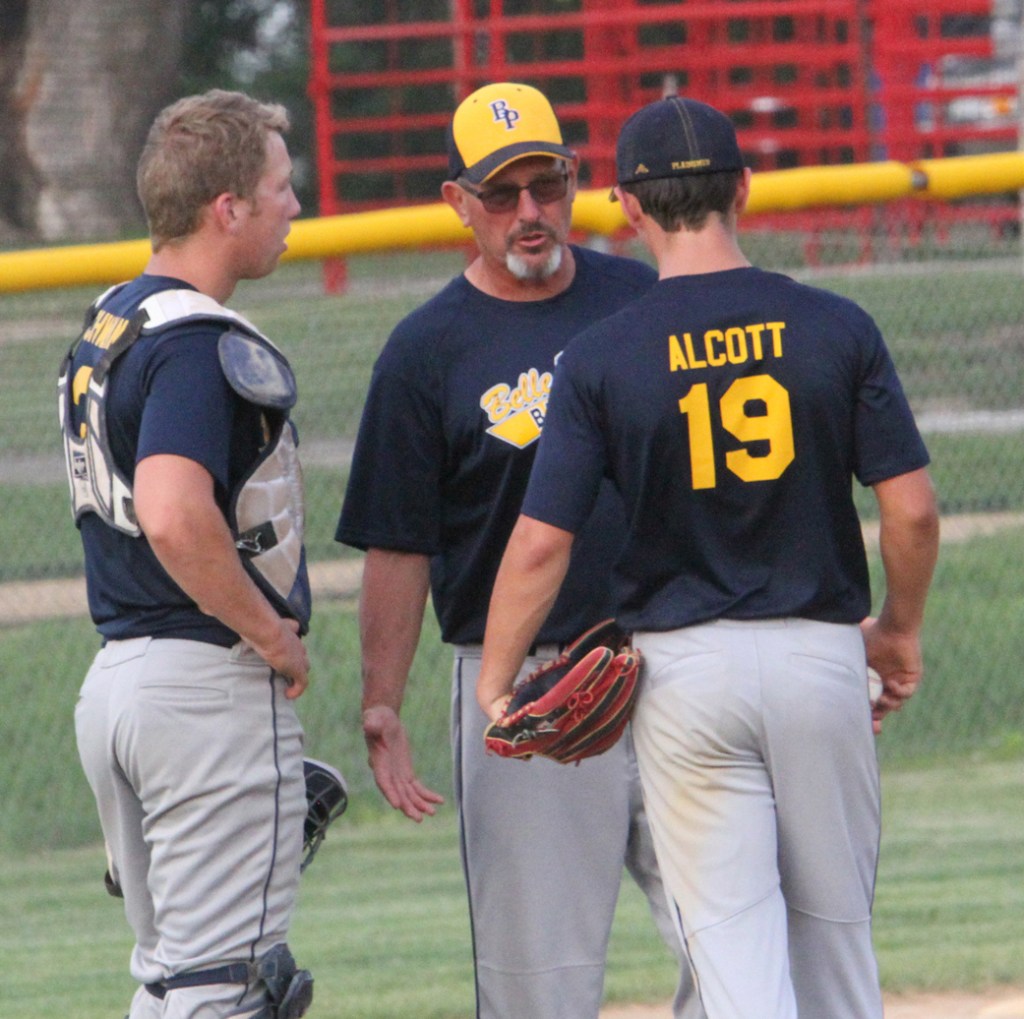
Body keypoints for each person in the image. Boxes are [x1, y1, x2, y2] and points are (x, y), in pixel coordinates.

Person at [476, 96, 940, 1019]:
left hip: (682, 673)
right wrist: (896, 630)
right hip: (819, 654)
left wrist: (496, 681)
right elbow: (914, 510)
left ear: (627, 206)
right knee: (837, 942)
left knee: (734, 955)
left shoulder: (601, 355)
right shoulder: (835, 325)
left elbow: (539, 544)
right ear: (746, 190)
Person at [336, 82, 697, 1019]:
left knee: (742, 942)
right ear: (458, 202)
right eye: (502, 193)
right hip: (524, 688)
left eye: (547, 184)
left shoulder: (645, 299)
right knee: (541, 983)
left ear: (576, 179)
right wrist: (382, 698)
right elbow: (398, 544)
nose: (529, 211)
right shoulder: (425, 352)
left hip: (676, 656)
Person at [60, 90, 314, 1019]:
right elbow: (173, 513)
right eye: (279, 186)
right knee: (228, 986)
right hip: (202, 688)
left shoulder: (110, 322)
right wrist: (271, 635)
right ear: (227, 208)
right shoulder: (194, 340)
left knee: (170, 978)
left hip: (120, 682)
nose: (295, 204)